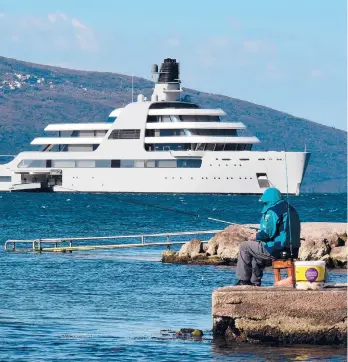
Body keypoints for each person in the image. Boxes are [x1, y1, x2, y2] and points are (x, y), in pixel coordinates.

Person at [235, 187, 301, 286]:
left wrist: (255, 236)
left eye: (264, 202)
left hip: (276, 249)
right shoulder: (291, 209)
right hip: (292, 250)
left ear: (269, 200)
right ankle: (254, 283)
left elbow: (267, 234)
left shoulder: (273, 211)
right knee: (256, 252)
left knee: (245, 246)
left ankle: (243, 280)